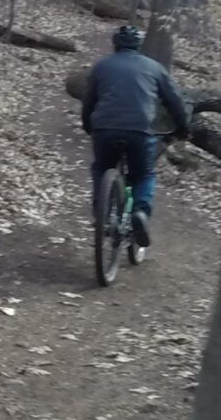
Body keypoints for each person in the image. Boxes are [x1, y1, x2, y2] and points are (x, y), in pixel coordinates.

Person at [75, 22, 192, 252]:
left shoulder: (101, 66)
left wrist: (88, 125)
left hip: (104, 130)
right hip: (140, 130)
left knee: (101, 168)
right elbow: (175, 101)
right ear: (139, 45)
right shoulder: (155, 68)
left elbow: (89, 101)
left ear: (115, 45)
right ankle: (139, 211)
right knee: (143, 174)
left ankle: (103, 215)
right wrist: (183, 129)